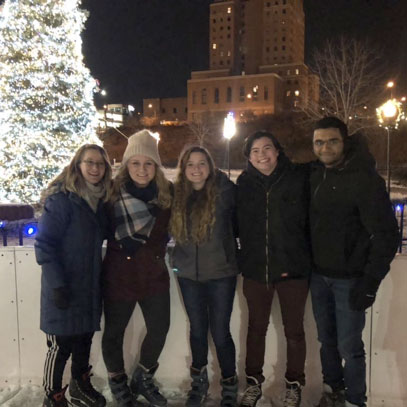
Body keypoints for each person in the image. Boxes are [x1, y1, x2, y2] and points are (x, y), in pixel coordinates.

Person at [309, 117, 399, 407]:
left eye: (332, 140)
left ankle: (355, 400)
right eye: (319, 142)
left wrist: (370, 281)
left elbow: (386, 235)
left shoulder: (364, 179)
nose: (325, 147)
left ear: (344, 142)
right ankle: (332, 391)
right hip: (318, 275)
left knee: (350, 347)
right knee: (327, 342)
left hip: (350, 280)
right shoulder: (316, 174)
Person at [236, 131, 311, 407]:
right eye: (255, 151)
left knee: (294, 331)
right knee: (256, 329)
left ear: (278, 151)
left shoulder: (297, 178)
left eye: (267, 148)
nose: (262, 155)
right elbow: (233, 224)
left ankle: (294, 384)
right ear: (248, 157)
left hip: (293, 269)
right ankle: (253, 383)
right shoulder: (243, 184)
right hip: (257, 271)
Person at [35, 144, 112, 407]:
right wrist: (57, 285)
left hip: (89, 286)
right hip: (64, 286)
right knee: (60, 346)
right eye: (89, 162)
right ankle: (52, 395)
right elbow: (45, 245)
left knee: (83, 341)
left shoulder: (100, 202)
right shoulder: (62, 200)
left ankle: (80, 386)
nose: (94, 168)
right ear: (77, 165)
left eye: (100, 164)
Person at [101, 130, 173, 407]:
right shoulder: (110, 195)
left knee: (160, 328)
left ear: (155, 166)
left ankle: (143, 376)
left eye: (148, 163)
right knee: (114, 332)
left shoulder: (167, 195)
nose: (142, 169)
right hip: (119, 275)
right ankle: (117, 381)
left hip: (154, 275)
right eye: (135, 163)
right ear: (126, 165)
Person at [170, 145, 239, 407]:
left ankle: (229, 384)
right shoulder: (177, 194)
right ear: (183, 169)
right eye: (190, 164)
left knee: (220, 332)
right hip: (188, 274)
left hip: (221, 272)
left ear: (210, 167)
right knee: (198, 330)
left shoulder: (225, 191)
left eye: (202, 163)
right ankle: (198, 382)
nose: (196, 169)